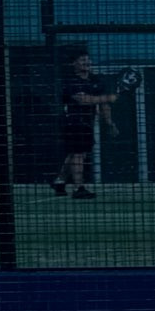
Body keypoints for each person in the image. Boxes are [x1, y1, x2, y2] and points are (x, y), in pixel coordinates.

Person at [51, 47, 121, 199]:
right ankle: (79, 188)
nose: (87, 62)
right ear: (74, 63)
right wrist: (109, 97)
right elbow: (82, 100)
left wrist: (110, 123)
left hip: (88, 122)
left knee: (76, 153)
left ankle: (59, 181)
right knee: (78, 153)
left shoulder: (95, 80)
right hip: (72, 122)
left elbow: (103, 105)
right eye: (82, 60)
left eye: (88, 59)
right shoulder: (70, 81)